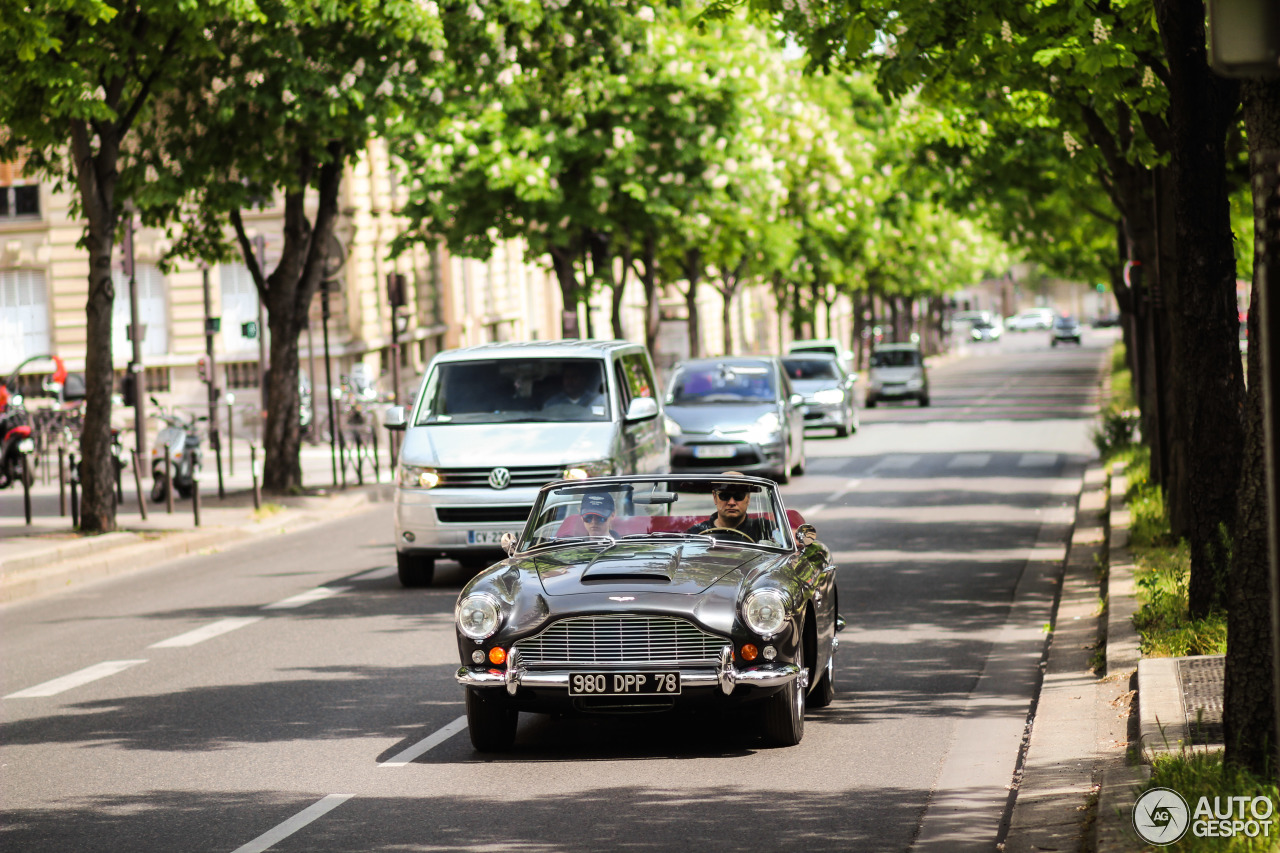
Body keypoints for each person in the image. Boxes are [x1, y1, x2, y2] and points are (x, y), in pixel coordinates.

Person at [686, 472, 769, 542]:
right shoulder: (696, 532)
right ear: (715, 498)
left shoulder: (764, 529)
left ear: (748, 498)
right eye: (724, 496)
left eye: (739, 496)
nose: (731, 502)